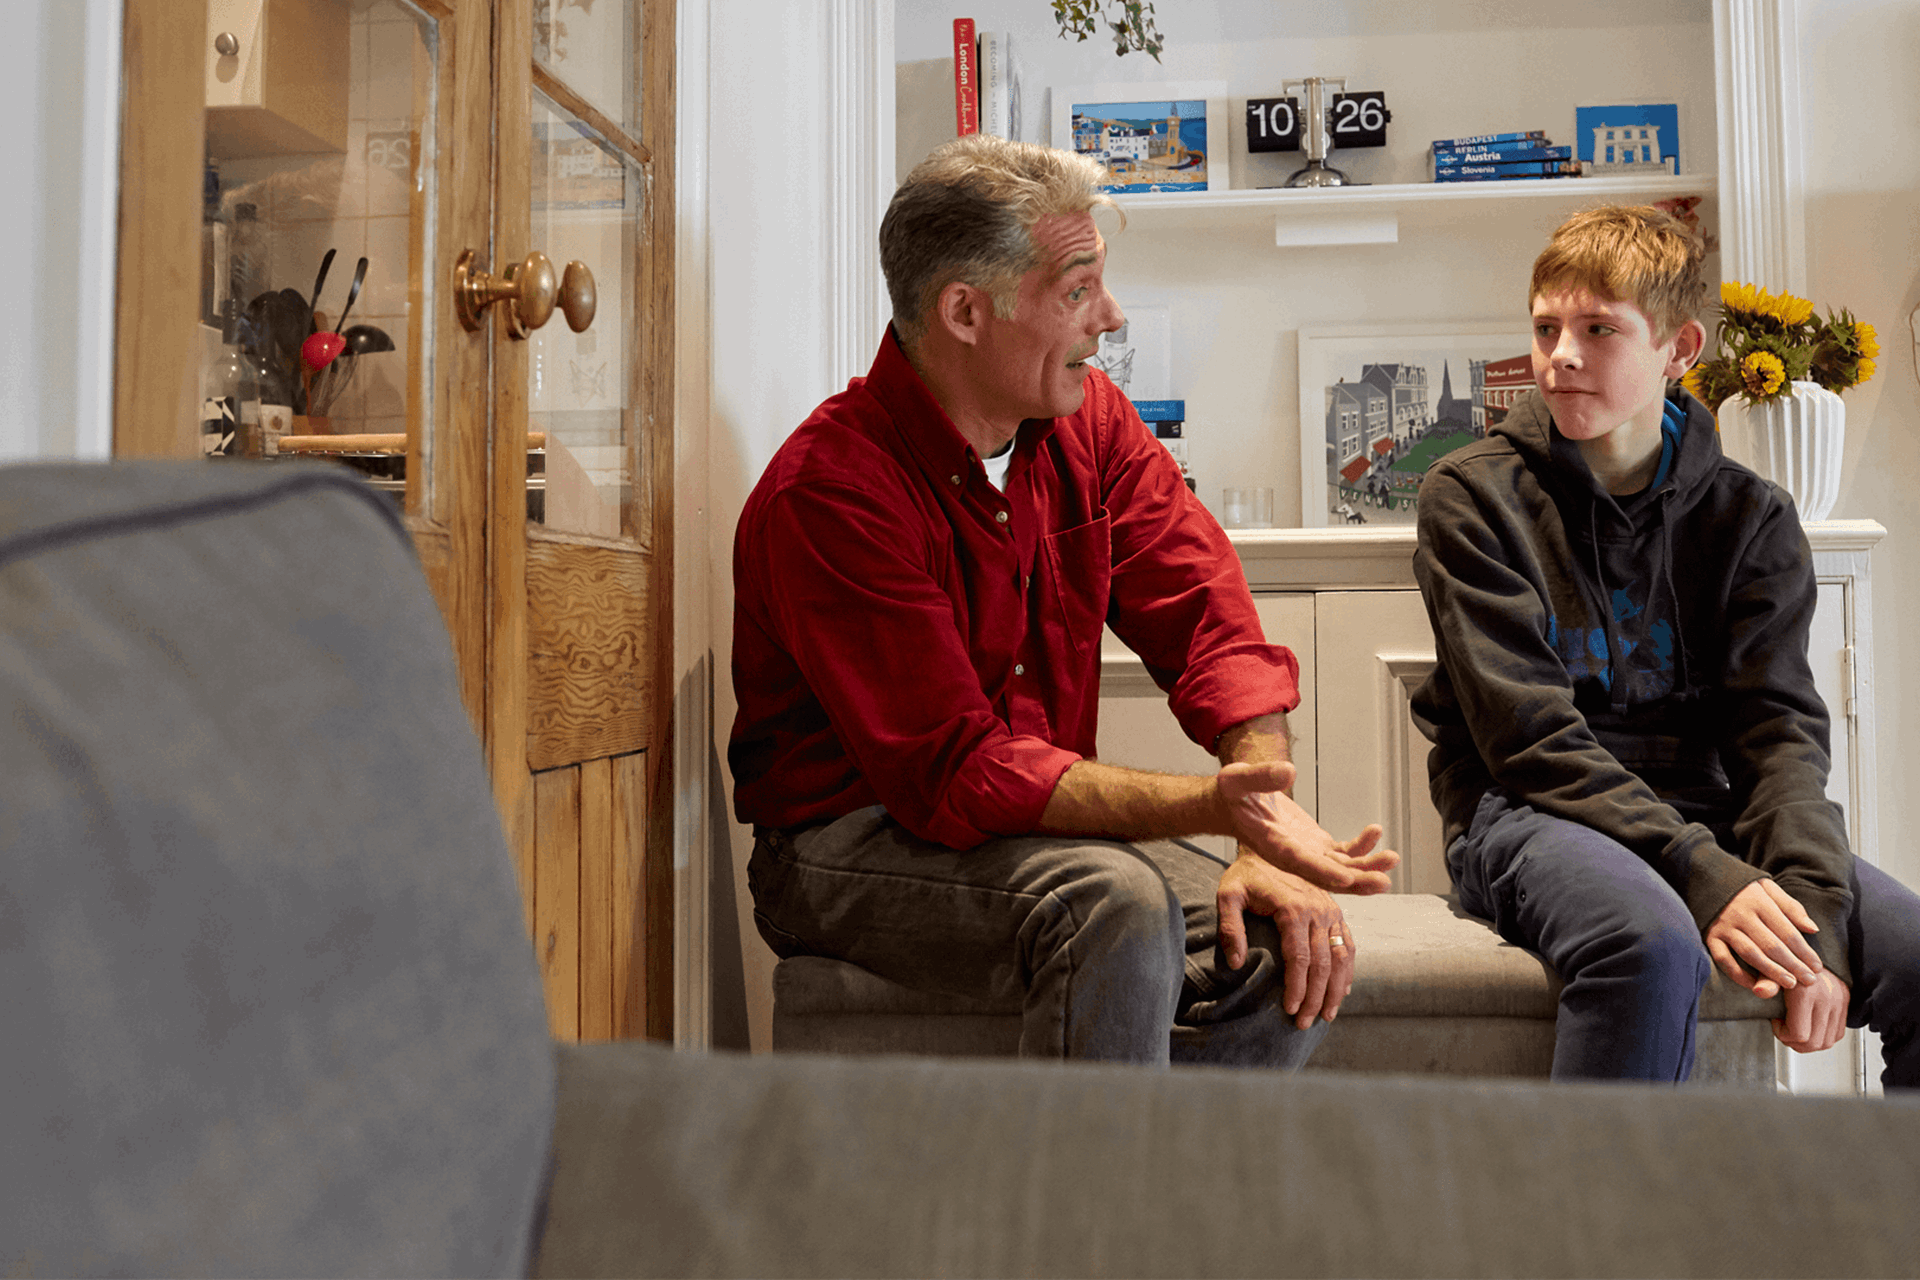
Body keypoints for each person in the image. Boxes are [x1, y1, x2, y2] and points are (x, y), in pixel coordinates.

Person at [730, 134, 1398, 1067]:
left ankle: (1147, 1196)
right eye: (1078, 289)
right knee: (1114, 906)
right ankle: (1088, 1207)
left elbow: (1207, 613)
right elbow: (957, 773)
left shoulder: (1092, 424)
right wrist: (1217, 807)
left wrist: (1263, 825)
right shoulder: (831, 493)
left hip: (1012, 818)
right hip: (844, 840)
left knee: (1283, 937)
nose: (1111, 318)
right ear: (964, 311)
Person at [1411, 204, 1919, 1085]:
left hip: (1706, 804)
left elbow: (1777, 735)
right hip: (1524, 808)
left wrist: (1817, 906)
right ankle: (1610, 1227)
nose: (1559, 354)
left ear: (1680, 349)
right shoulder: (1472, 494)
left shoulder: (1751, 515)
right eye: (1546, 327)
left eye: (1599, 329)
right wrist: (1700, 871)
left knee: (1916, 960)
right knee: (1647, 943)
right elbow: (1528, 740)